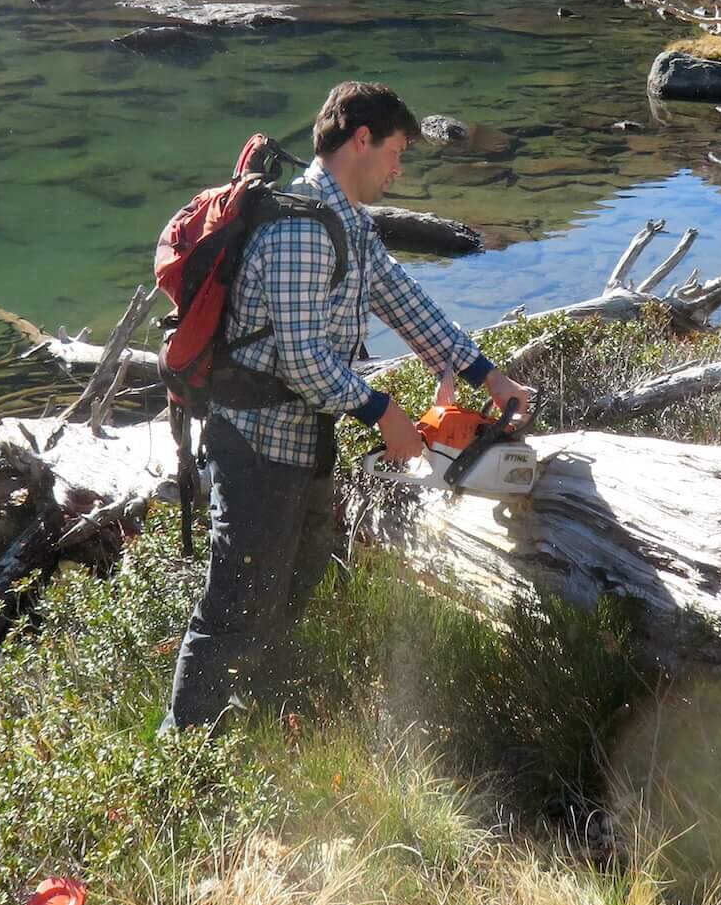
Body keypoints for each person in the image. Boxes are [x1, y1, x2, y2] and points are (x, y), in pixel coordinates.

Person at [163, 81, 532, 731]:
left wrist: (488, 375)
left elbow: (409, 304)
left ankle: (265, 743)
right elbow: (303, 359)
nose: (400, 167)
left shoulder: (348, 223)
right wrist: (382, 411)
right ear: (361, 140)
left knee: (292, 601)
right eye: (396, 150)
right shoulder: (301, 226)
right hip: (256, 452)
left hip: (304, 452)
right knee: (235, 615)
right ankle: (182, 763)